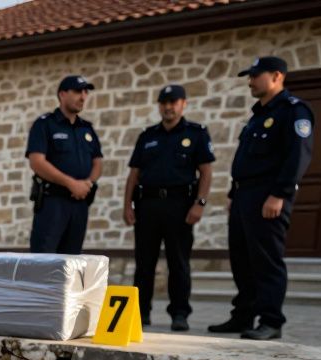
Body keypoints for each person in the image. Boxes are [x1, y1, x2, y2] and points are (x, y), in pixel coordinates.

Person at [210, 56, 314, 340]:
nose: (250, 81)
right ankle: (243, 315)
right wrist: (233, 194)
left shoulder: (293, 111)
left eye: (256, 75)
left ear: (277, 76)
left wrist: (279, 194)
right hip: (244, 195)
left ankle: (271, 320)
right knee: (241, 259)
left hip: (268, 195)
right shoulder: (258, 115)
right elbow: (245, 159)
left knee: (267, 260)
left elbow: (298, 156)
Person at [122, 84, 215, 331]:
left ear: (183, 104)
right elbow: (134, 175)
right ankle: (140, 313)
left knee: (179, 262)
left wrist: (200, 204)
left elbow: (206, 172)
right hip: (148, 206)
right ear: (159, 106)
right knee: (144, 263)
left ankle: (179, 313)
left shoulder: (196, 133)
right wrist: (127, 205)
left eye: (173, 102)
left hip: (180, 206)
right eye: (164, 102)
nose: (168, 107)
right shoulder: (147, 136)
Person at [25, 75, 104, 254]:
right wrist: (71, 184)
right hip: (53, 203)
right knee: (44, 260)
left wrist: (87, 184)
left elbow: (97, 162)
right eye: (77, 91)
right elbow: (37, 162)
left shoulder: (87, 128)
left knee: (72, 261)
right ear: (62, 94)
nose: (83, 97)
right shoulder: (45, 124)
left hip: (80, 203)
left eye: (85, 92)